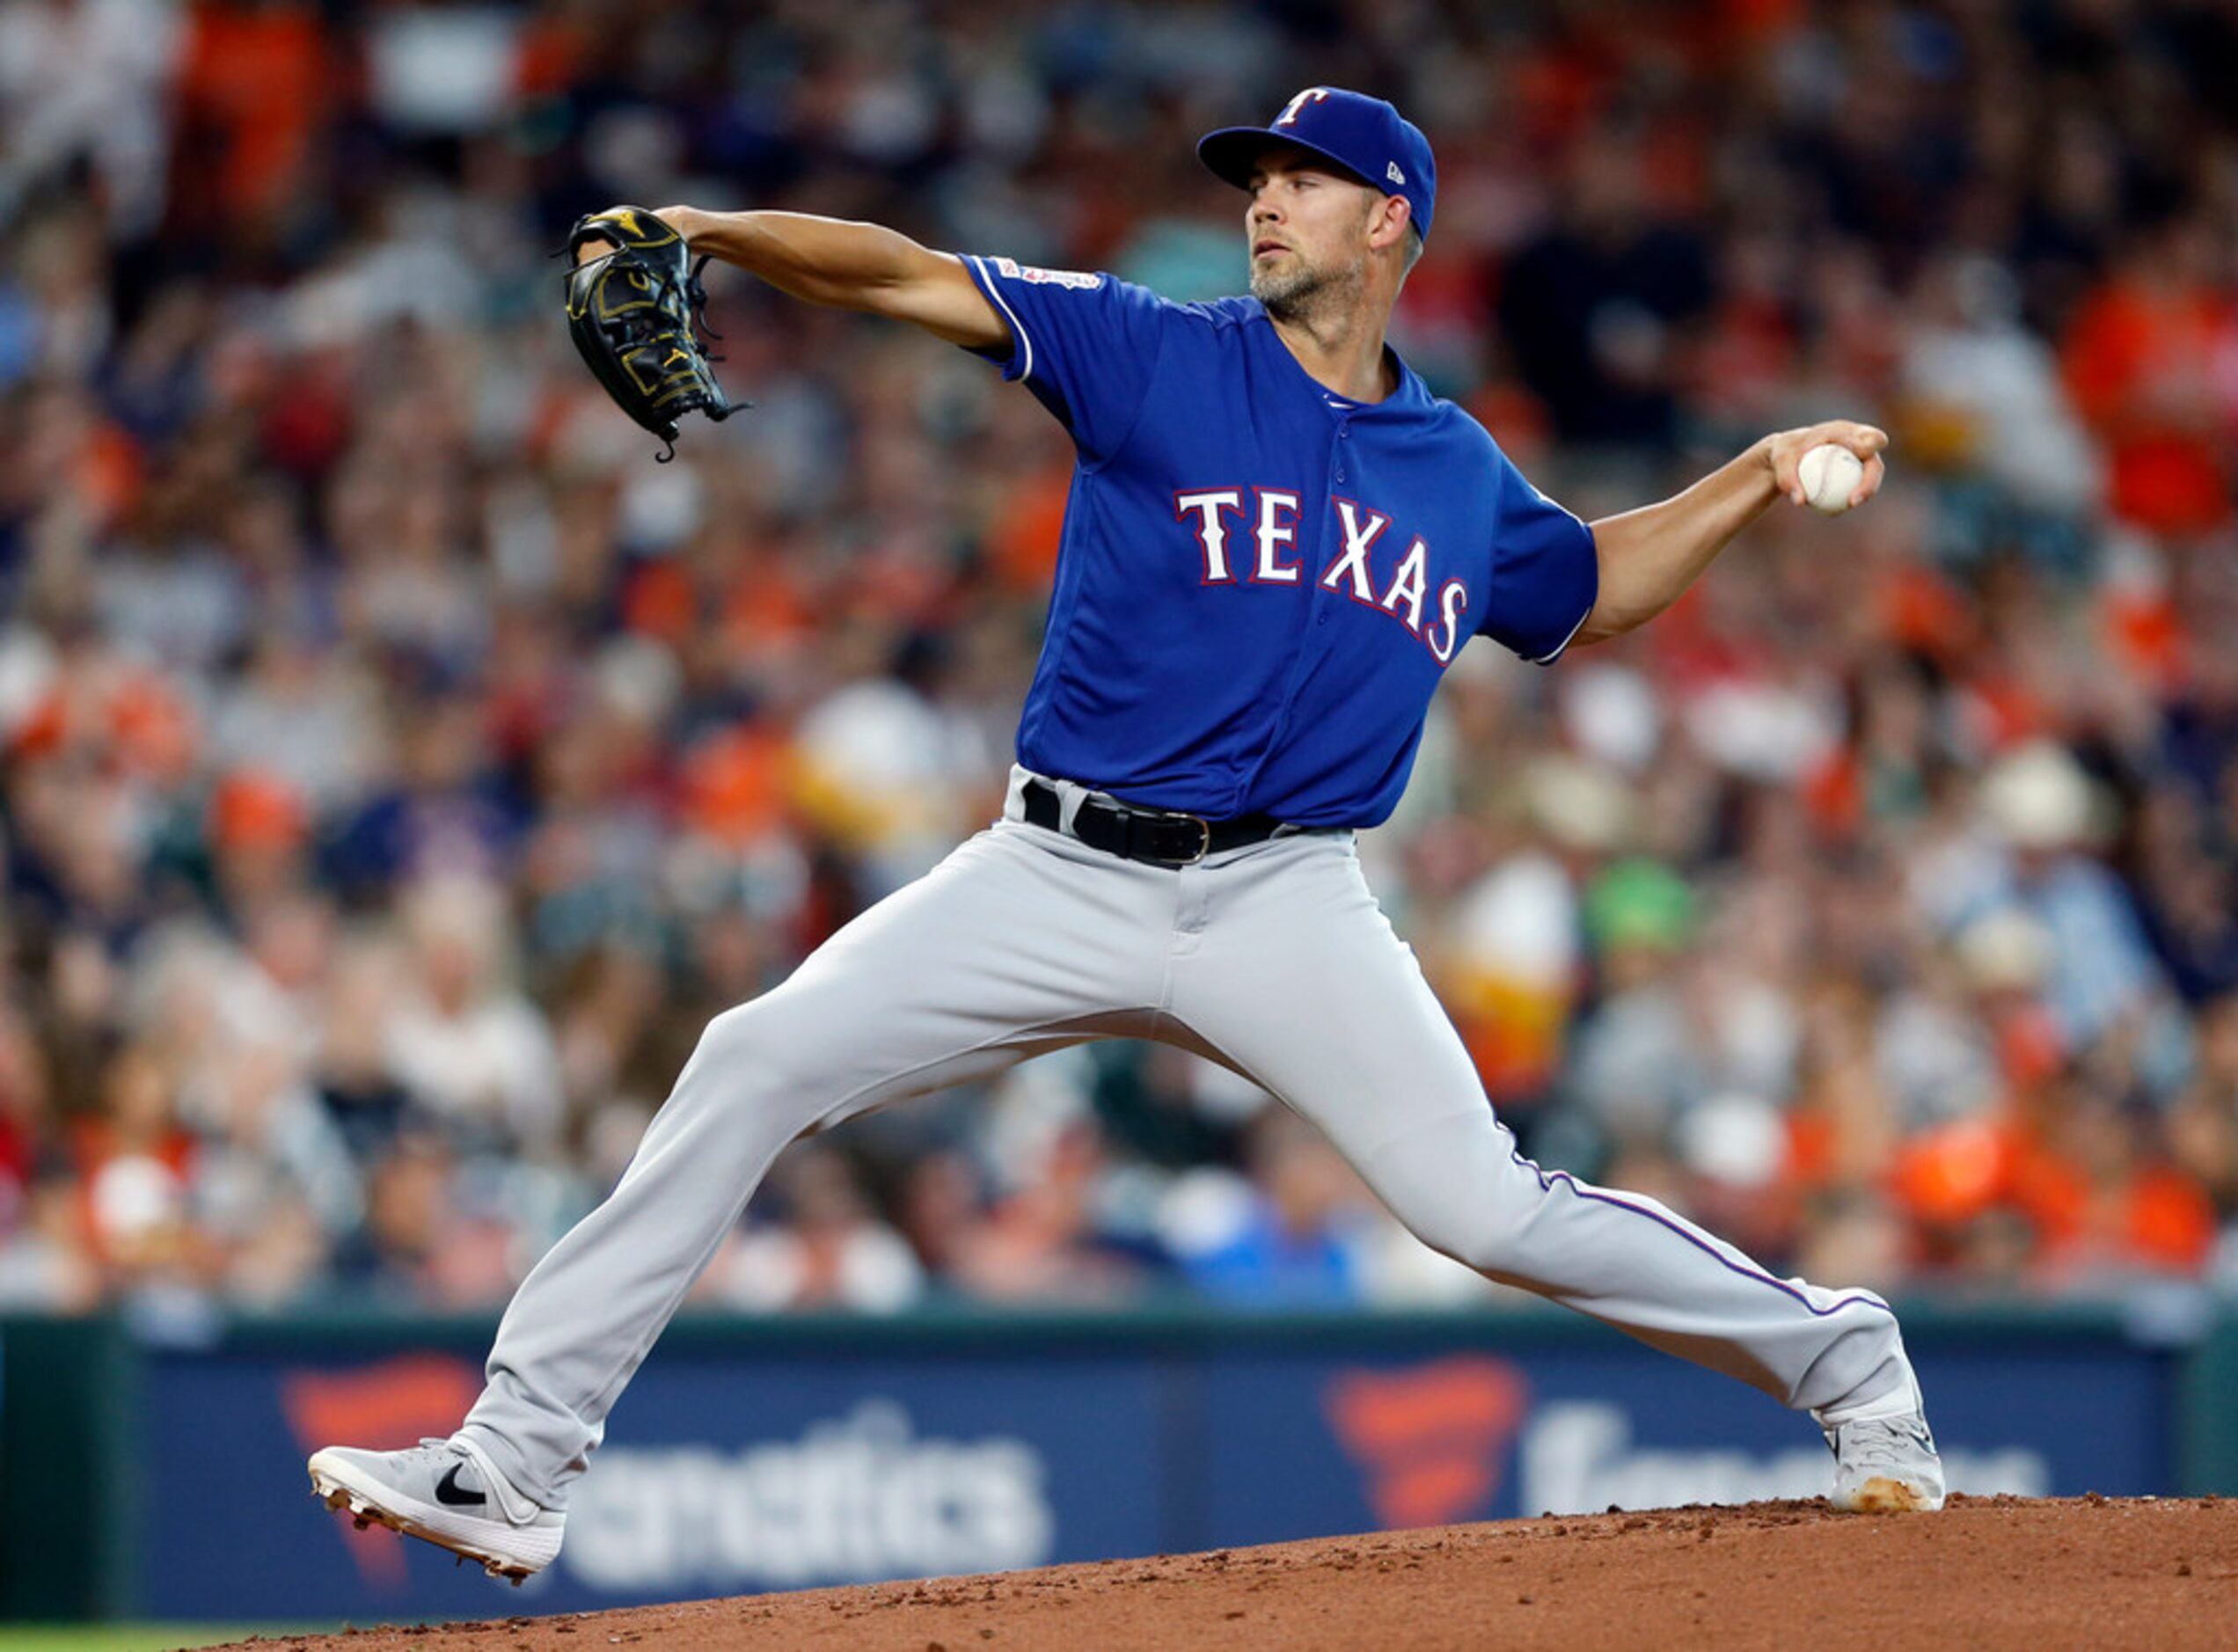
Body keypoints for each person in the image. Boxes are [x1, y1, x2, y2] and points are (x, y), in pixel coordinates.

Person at [309, 88, 1943, 1583]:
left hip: (1287, 897)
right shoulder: (1151, 348)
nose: (1264, 202)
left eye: (1304, 180)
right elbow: (902, 275)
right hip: (1055, 867)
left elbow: (1588, 590)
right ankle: (512, 1462)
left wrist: (1749, 470)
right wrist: (710, 233)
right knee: (754, 1057)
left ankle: (1847, 1361)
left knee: (1488, 1211)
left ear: (1392, 221)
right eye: (1256, 179)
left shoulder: (1452, 470)